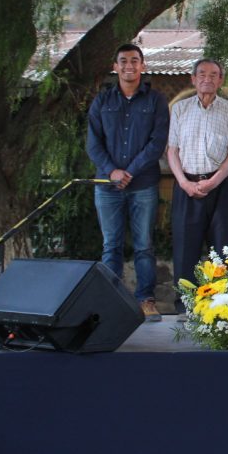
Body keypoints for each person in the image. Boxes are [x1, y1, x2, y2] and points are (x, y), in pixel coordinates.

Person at [86, 43, 170, 323]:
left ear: (142, 66)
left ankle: (145, 300)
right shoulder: (102, 101)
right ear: (115, 66)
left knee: (144, 245)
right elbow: (93, 143)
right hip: (107, 187)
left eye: (134, 60)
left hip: (143, 184)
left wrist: (129, 172)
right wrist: (112, 171)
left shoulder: (155, 100)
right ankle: (111, 304)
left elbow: (157, 142)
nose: (129, 65)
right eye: (123, 61)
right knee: (111, 246)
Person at [166, 58, 228, 319]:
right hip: (186, 183)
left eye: (213, 75)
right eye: (202, 74)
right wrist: (184, 182)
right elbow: (172, 150)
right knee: (185, 246)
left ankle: (223, 303)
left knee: (223, 247)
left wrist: (213, 181)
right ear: (193, 79)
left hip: (219, 186)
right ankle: (185, 304)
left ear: (220, 80)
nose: (207, 79)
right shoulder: (180, 109)